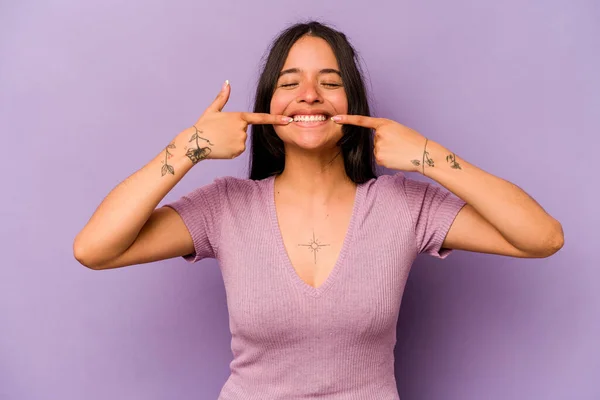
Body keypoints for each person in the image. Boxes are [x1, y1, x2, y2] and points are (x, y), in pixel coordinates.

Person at [73, 21, 564, 400]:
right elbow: (94, 249)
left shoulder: (401, 206)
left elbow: (542, 237)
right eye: (290, 83)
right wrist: (190, 146)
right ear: (268, 104)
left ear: (352, 101)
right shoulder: (225, 207)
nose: (309, 94)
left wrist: (427, 155)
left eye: (329, 82)